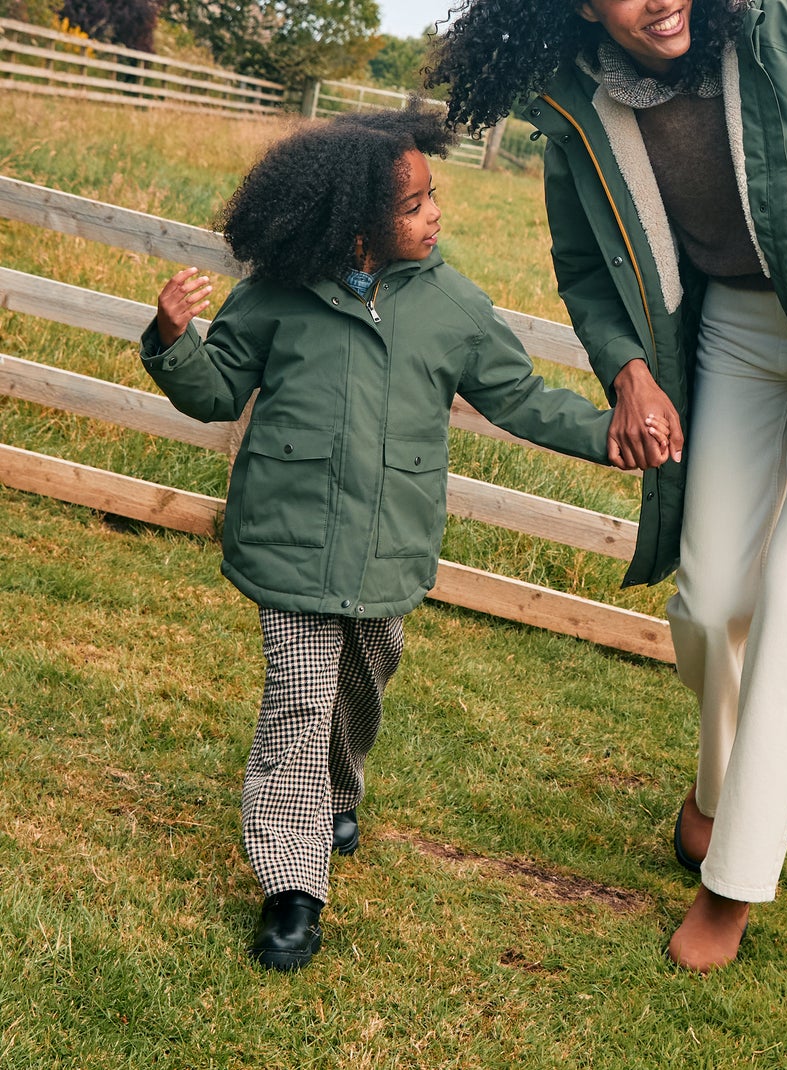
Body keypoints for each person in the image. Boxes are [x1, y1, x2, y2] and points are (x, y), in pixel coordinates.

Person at [140, 102, 663, 971]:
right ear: (353, 223)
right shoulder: (274, 296)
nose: (434, 214)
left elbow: (522, 397)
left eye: (432, 197)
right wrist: (171, 338)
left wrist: (608, 433)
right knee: (299, 707)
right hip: (291, 541)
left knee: (363, 679)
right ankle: (293, 885)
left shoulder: (452, 304)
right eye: (414, 204)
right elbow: (216, 391)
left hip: (390, 548)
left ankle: (336, 792)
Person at [427, 0, 787, 972]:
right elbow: (584, 269)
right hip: (736, 334)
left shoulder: (772, 29)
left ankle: (730, 881)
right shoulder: (576, 108)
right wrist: (627, 367)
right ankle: (718, 787)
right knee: (709, 598)